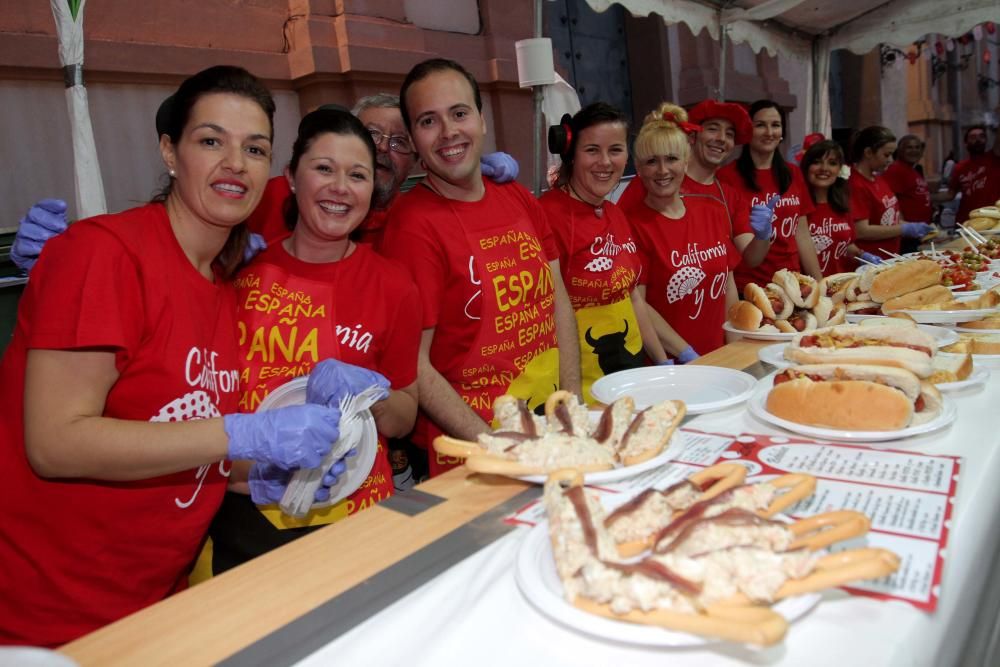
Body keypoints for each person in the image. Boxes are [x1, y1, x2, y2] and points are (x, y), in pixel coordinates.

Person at [0, 66, 345, 647]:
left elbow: (180, 435)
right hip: (44, 620)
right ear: (169, 150)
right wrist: (246, 434)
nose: (235, 162)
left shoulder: (223, 290)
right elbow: (54, 443)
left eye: (254, 148)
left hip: (156, 608)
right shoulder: (103, 254)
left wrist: (273, 475)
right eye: (212, 141)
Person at [207, 107, 421, 574]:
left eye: (358, 175)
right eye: (324, 169)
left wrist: (372, 398)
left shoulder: (394, 284)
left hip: (359, 512)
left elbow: (404, 416)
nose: (340, 188)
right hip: (245, 511)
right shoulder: (233, 271)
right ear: (290, 177)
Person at [379, 58, 581, 476]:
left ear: (482, 121)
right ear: (415, 140)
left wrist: (571, 406)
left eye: (459, 113)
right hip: (474, 447)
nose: (449, 131)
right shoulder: (412, 225)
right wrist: (499, 448)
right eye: (428, 121)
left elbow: (557, 298)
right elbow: (414, 363)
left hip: (547, 422)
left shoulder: (519, 198)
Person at [539, 103, 668, 401]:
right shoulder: (546, 215)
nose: (605, 162)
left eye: (615, 150)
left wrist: (662, 362)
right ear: (571, 153)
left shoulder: (615, 213)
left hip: (631, 371)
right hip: (581, 383)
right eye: (592, 150)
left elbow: (632, 296)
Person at [626, 103, 740, 355]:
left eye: (671, 159)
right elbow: (639, 305)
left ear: (686, 162)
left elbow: (728, 286)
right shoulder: (632, 225)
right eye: (651, 161)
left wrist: (735, 348)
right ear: (638, 167)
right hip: (672, 365)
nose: (663, 170)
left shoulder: (713, 209)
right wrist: (686, 354)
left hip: (720, 357)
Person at [617, 99, 775, 270]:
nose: (721, 138)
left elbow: (752, 258)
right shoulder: (654, 182)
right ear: (692, 137)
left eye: (729, 134)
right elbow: (619, 240)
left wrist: (763, 236)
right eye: (713, 129)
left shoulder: (729, 196)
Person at [719, 100, 821, 290]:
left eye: (775, 125)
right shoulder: (726, 177)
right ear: (748, 130)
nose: (769, 132)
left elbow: (802, 235)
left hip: (792, 283)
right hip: (749, 287)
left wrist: (819, 284)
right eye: (760, 125)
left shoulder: (793, 173)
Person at [848, 126, 933, 258]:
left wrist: (912, 226)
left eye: (892, 155)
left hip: (890, 254)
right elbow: (861, 231)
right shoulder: (856, 184)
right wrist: (904, 229)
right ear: (868, 152)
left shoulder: (878, 179)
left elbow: (890, 218)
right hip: (872, 258)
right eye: (886, 155)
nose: (890, 160)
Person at [799, 136, 877, 275]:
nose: (824, 168)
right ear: (806, 167)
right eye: (817, 162)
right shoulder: (798, 208)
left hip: (842, 285)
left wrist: (862, 255)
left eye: (832, 163)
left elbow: (846, 245)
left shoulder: (842, 204)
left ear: (840, 169)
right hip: (810, 289)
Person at [934, 122, 1000, 223]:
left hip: (992, 220)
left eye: (981, 136)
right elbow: (950, 194)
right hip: (966, 221)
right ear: (966, 143)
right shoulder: (959, 167)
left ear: (986, 140)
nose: (978, 140)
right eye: (973, 137)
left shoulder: (994, 159)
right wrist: (927, 197)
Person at [884, 134, 933, 253]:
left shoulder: (914, 170)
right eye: (909, 147)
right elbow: (892, 201)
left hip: (920, 234)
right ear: (900, 151)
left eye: (917, 147)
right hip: (907, 237)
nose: (914, 151)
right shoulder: (896, 170)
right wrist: (905, 228)